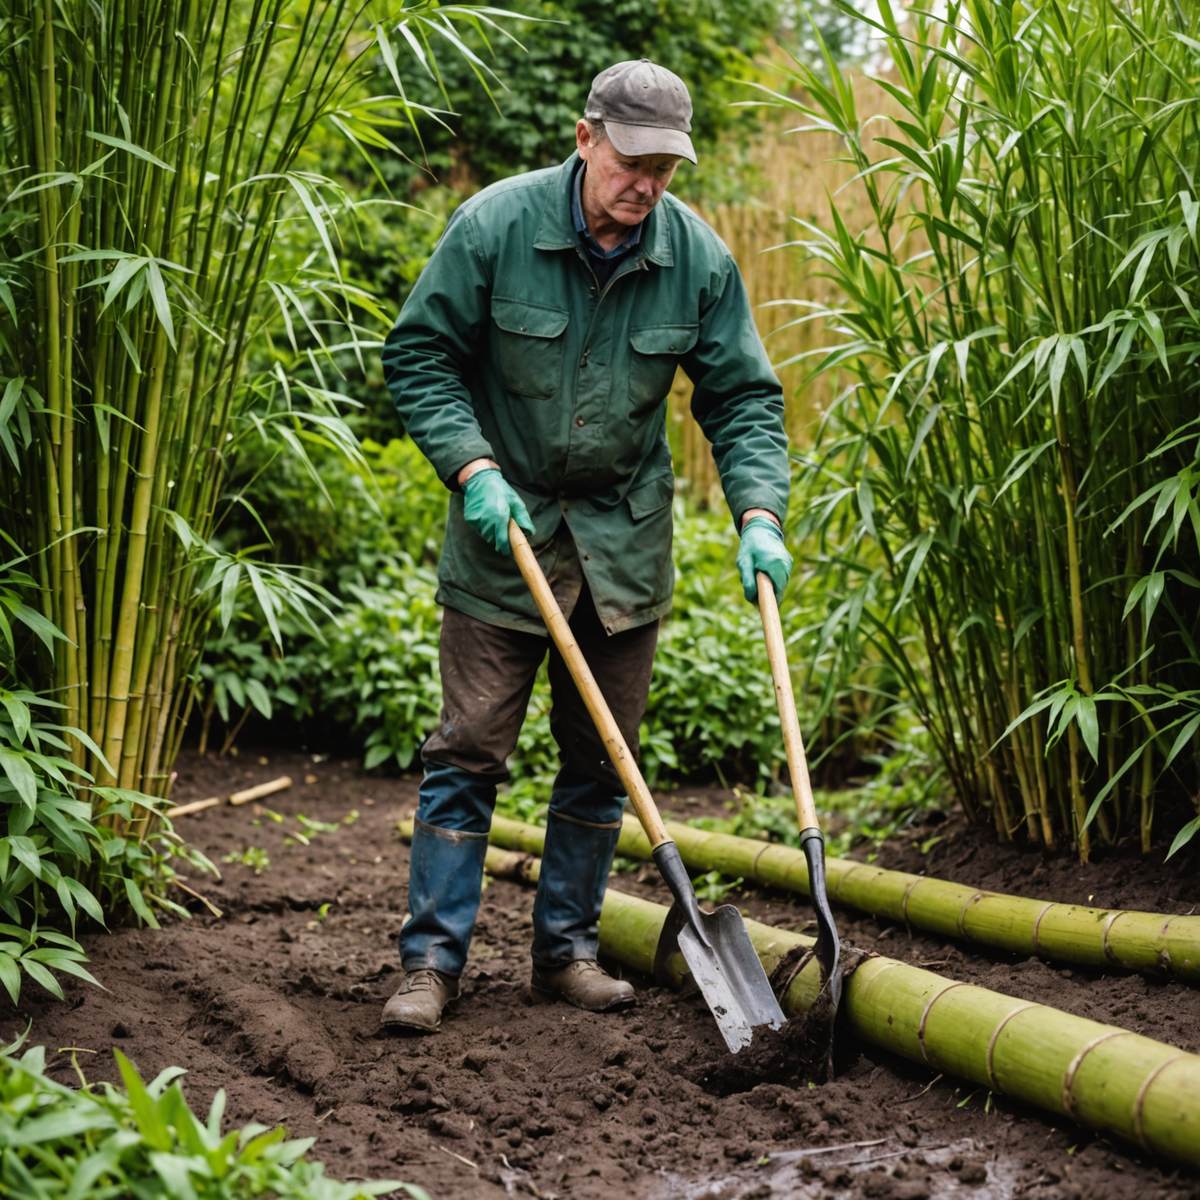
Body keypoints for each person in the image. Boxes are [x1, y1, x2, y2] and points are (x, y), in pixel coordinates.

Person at [379, 59, 792, 1032]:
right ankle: (431, 965)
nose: (646, 183)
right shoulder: (495, 227)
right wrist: (471, 467)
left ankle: (565, 953)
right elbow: (421, 354)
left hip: (622, 545)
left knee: (602, 761)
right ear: (585, 139)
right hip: (503, 536)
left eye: (666, 166)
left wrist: (760, 514)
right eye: (632, 160)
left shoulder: (695, 260)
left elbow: (741, 398)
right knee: (469, 751)